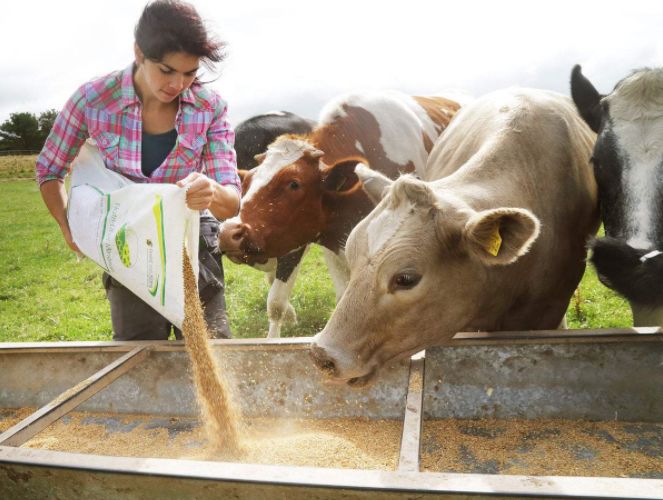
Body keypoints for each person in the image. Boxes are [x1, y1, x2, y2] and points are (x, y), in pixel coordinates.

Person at [35, 0, 240, 341]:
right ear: (139, 52)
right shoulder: (93, 99)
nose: (178, 84)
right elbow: (50, 169)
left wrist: (212, 190)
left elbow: (230, 201)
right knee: (138, 350)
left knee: (212, 346)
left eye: (189, 73)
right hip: (127, 237)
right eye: (166, 70)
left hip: (192, 236)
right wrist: (68, 226)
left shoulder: (210, 107)